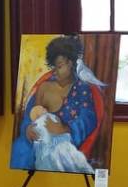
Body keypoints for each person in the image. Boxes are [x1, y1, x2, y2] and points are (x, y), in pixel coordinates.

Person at [10, 35, 104, 173]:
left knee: (62, 157)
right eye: (54, 67)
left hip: (64, 141)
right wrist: (28, 129)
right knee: (20, 149)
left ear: (71, 63)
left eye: (59, 66)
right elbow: (31, 114)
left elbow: (88, 118)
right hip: (38, 139)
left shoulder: (81, 88)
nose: (55, 71)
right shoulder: (44, 87)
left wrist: (65, 128)